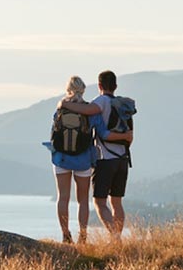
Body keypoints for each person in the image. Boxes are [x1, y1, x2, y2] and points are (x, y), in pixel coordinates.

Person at [49, 76, 132, 244]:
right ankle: (83, 235)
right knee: (82, 200)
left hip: (61, 158)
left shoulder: (60, 110)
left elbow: (53, 134)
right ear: (83, 90)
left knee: (63, 197)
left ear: (68, 90)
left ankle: (65, 234)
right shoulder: (91, 111)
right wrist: (125, 136)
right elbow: (103, 134)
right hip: (83, 159)